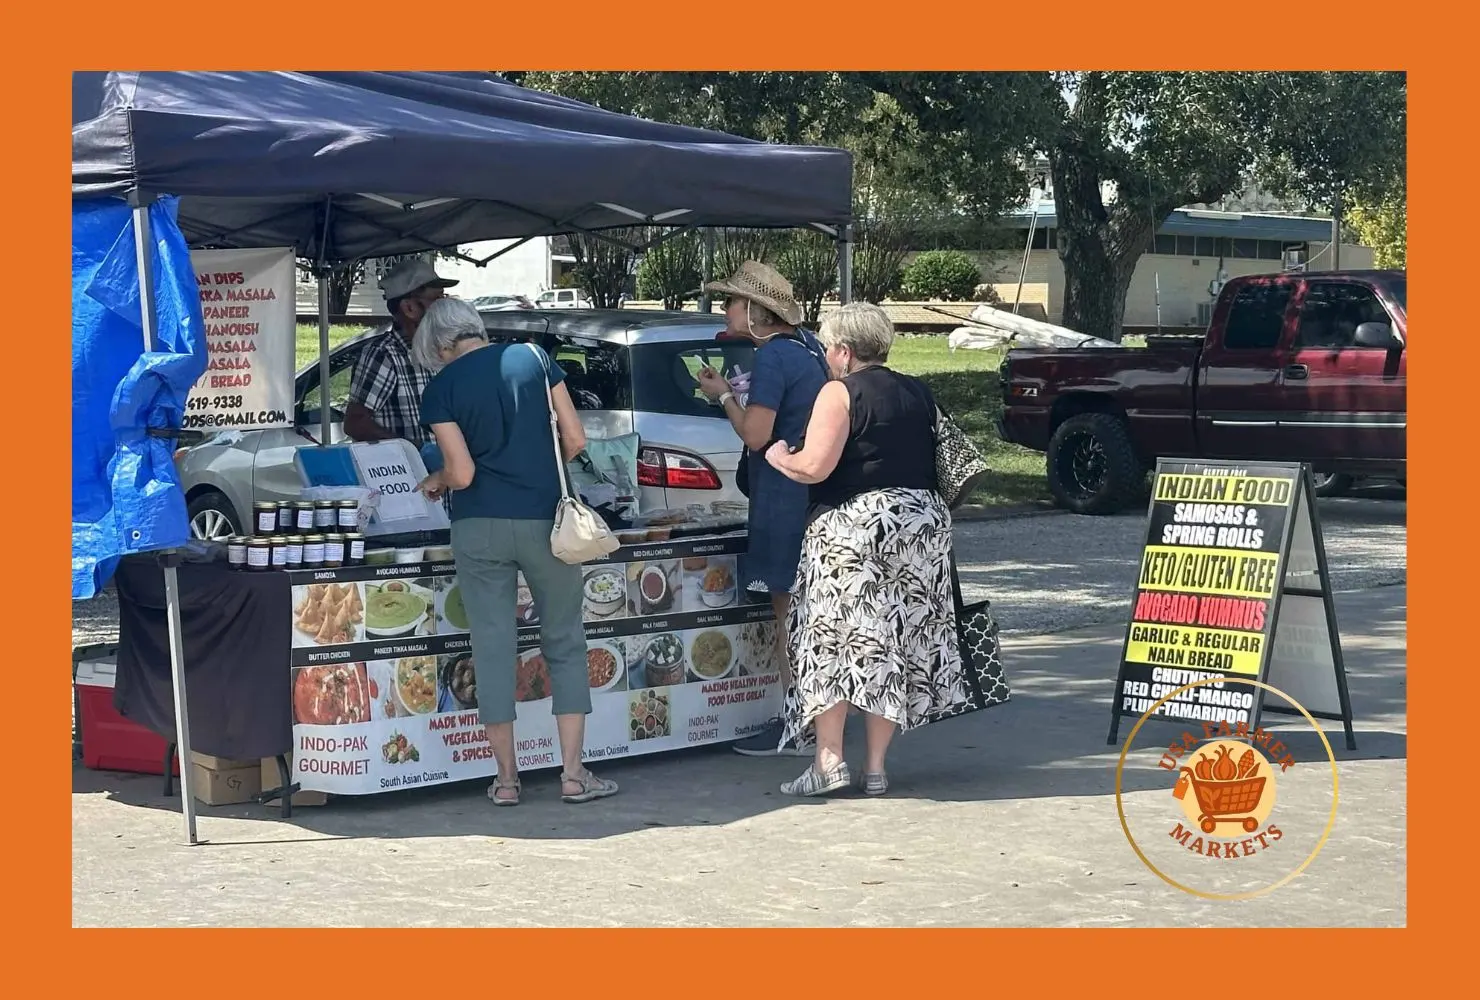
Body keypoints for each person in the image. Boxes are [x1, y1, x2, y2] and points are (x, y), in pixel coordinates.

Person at [411, 298, 618, 807]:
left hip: (478, 528)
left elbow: (462, 475)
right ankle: (573, 775)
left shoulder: (441, 389)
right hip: (547, 523)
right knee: (565, 640)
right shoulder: (534, 358)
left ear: (441, 347)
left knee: (493, 646)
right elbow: (574, 438)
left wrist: (436, 480)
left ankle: (506, 781)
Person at [763, 302, 969, 797]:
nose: (828, 357)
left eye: (829, 347)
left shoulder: (839, 392)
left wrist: (778, 457)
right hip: (922, 527)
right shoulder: (918, 390)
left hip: (857, 528)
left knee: (833, 641)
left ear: (844, 350)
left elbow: (815, 466)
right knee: (892, 640)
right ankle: (876, 768)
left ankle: (829, 761)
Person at [694, 262, 830, 759]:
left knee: (787, 613)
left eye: (731, 300)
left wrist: (725, 395)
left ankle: (798, 722)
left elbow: (754, 433)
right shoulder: (808, 347)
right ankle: (818, 719)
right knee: (810, 612)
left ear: (754, 311)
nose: (725, 308)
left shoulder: (772, 357)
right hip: (813, 494)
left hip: (781, 497)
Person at [344, 259, 458, 445]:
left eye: (444, 298)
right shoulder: (385, 355)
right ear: (409, 308)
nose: (444, 307)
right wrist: (412, 449)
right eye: (437, 300)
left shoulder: (440, 349)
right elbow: (355, 422)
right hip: (411, 470)